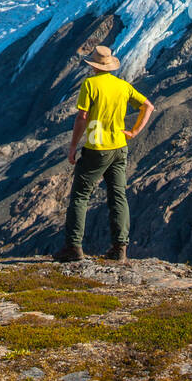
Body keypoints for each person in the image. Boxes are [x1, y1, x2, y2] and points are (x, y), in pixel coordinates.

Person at [55, 43, 154, 264]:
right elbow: (148, 106)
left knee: (80, 196)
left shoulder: (90, 84)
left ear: (94, 66)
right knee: (118, 197)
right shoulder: (122, 85)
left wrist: (73, 146)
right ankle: (120, 249)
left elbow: (82, 117)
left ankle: (73, 247)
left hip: (96, 149)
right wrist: (135, 131)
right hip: (119, 147)